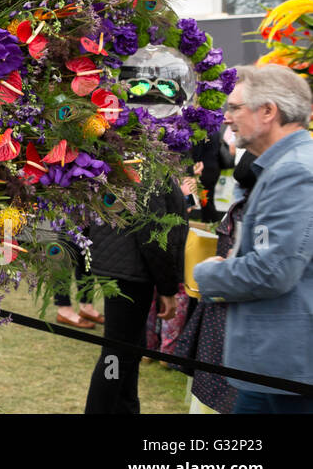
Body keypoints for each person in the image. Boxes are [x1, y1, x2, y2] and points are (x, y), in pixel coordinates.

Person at [195, 64, 313, 413]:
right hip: (275, 366)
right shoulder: (286, 165)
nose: (227, 117)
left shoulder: (293, 171)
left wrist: (207, 275)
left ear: (268, 111)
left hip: (283, 370)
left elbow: (274, 270)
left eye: (234, 107)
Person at [84, 179, 189, 413]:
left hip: (126, 266)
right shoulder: (146, 162)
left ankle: (126, 408)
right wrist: (168, 288)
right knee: (116, 354)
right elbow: (153, 231)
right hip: (130, 270)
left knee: (127, 351)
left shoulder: (142, 156)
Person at [174, 150, 259, 413]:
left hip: (219, 315)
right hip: (232, 316)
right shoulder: (250, 213)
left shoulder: (237, 209)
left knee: (210, 392)